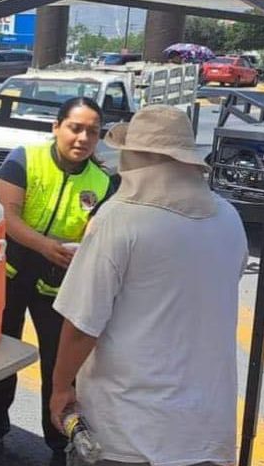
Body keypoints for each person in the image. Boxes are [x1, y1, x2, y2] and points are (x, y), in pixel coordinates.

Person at [50, 105, 248, 466]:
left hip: (128, 431)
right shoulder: (228, 217)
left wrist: (61, 388)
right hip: (205, 429)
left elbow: (82, 325)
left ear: (137, 157)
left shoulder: (121, 219)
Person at [0, 97, 115, 466]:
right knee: (0, 361)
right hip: (9, 276)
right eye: (75, 127)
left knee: (61, 370)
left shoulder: (104, 183)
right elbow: (5, 214)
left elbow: (100, 234)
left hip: (59, 287)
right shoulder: (24, 159)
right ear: (56, 127)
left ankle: (59, 445)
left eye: (92, 131)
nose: (83, 137)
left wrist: (80, 249)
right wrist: (45, 246)